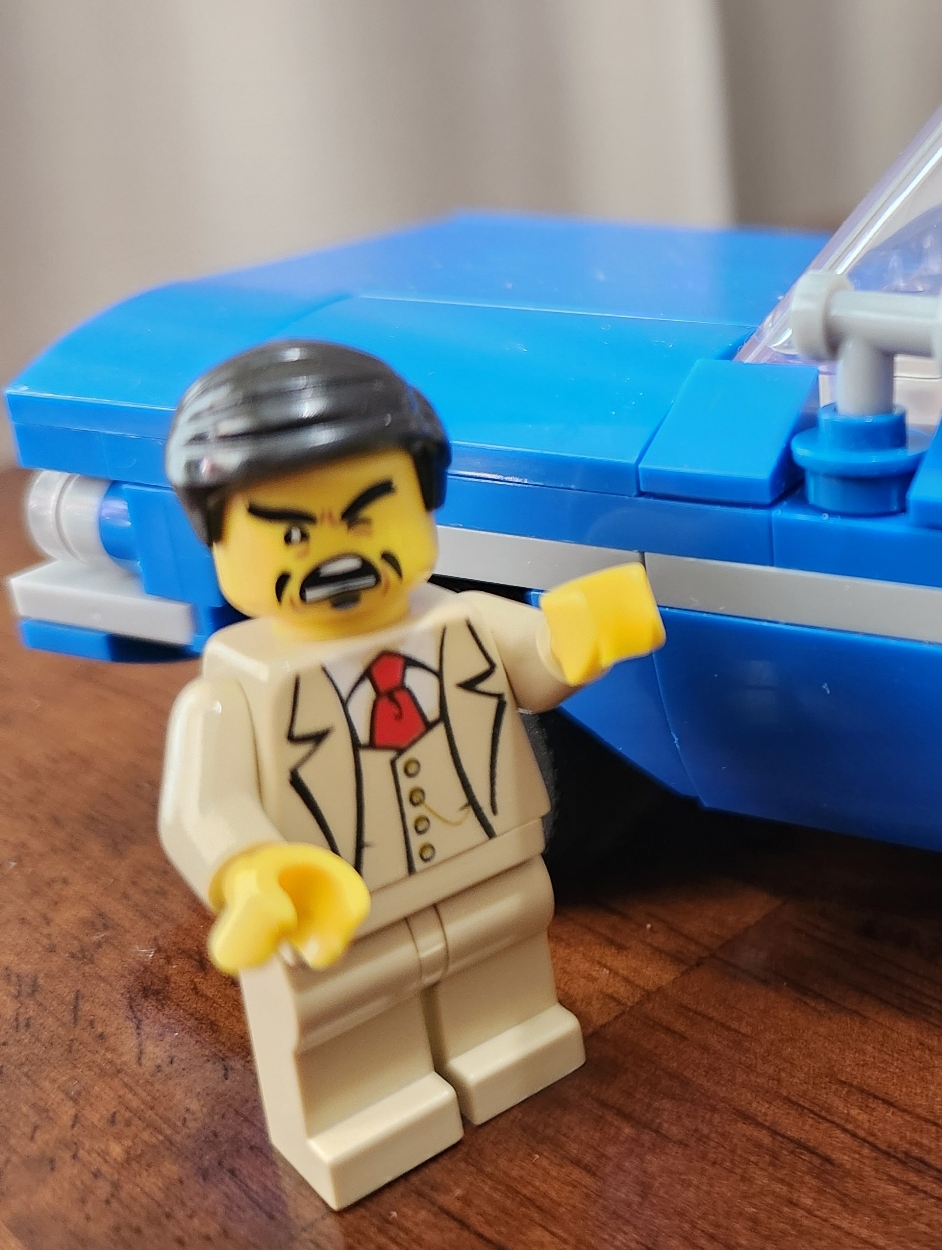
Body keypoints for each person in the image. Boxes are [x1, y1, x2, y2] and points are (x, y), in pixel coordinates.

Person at [156, 339, 665, 1208]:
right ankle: (361, 1110)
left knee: (500, 950)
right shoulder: (236, 690)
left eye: (367, 516)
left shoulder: (460, 620)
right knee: (344, 1004)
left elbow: (538, 663)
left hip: (486, 860)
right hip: (341, 903)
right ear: (218, 540)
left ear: (423, 504)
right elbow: (203, 805)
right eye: (291, 531)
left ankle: (507, 1044)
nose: (335, 552)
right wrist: (253, 867)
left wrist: (579, 636)